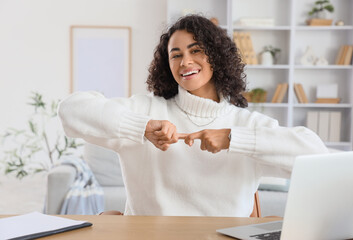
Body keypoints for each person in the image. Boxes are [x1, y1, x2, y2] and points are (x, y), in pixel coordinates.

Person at [58, 15, 328, 217]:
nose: (185, 61)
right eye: (176, 55)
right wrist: (142, 127)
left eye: (195, 50)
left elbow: (317, 157)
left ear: (216, 57)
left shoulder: (247, 124)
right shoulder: (147, 110)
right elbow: (70, 110)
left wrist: (234, 139)